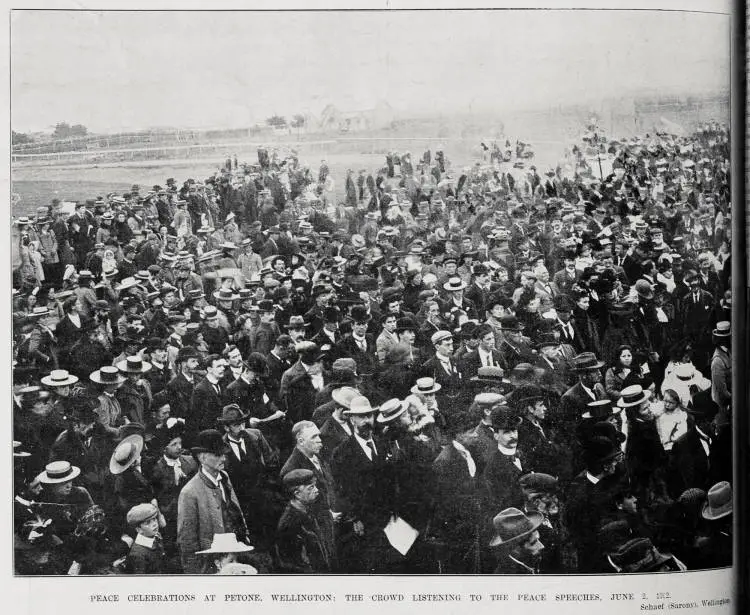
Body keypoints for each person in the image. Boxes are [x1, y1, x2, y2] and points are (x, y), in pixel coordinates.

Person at [177, 429, 249, 574]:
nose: (223, 458)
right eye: (217, 455)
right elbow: (187, 542)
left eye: (223, 454)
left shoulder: (225, 477)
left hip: (234, 557)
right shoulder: (189, 492)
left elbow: (236, 511)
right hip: (211, 566)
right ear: (202, 458)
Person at [274, 468, 332, 573]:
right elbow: (290, 563)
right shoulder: (289, 523)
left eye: (315, 486)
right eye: (311, 488)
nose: (316, 490)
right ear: (297, 493)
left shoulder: (308, 509)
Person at [489, 507, 545, 574]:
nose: (542, 546)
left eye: (537, 540)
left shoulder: (530, 565)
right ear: (516, 550)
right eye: (533, 543)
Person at [124, 503, 166, 574]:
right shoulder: (138, 554)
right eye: (148, 522)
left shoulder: (155, 537)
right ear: (139, 530)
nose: (154, 524)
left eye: (154, 519)